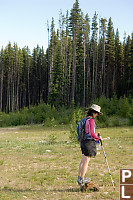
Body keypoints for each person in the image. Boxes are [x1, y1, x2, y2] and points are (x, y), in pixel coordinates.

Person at [78, 104, 103, 185]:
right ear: (93, 112)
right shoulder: (91, 120)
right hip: (89, 143)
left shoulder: (84, 119)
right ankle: (82, 179)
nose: (96, 115)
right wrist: (97, 137)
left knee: (83, 161)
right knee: (86, 161)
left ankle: (80, 178)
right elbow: (91, 133)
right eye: (96, 114)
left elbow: (87, 132)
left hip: (83, 142)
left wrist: (95, 134)